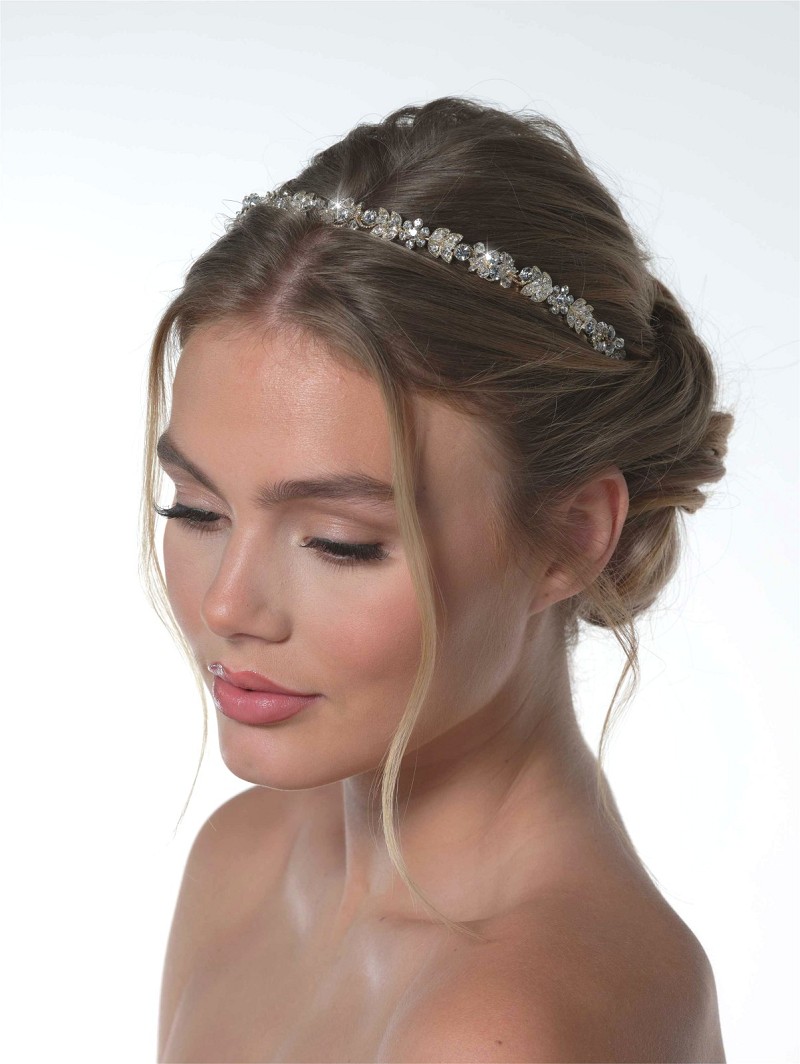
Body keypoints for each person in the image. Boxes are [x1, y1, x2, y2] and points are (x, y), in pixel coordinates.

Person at [144, 96, 731, 1062]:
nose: (226, 605)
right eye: (197, 511)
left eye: (337, 542)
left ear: (570, 538)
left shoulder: (510, 1026)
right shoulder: (242, 859)